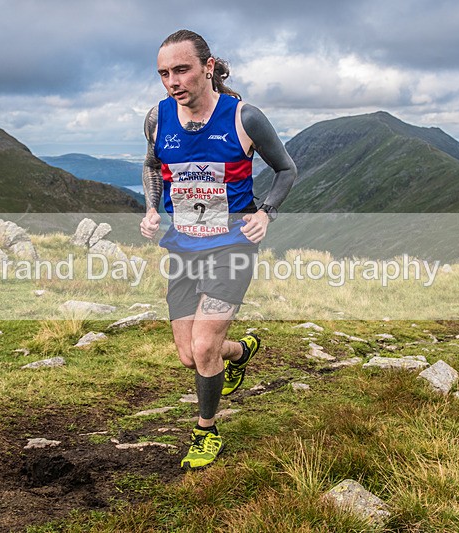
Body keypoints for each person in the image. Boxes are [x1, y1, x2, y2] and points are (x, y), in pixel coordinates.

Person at [140, 29, 297, 469]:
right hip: (183, 248)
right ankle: (241, 352)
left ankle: (206, 432)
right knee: (190, 353)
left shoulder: (245, 118)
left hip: (232, 245)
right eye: (164, 73)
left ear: (208, 68)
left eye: (182, 69)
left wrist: (265, 212)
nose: (173, 81)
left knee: (205, 346)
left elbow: (286, 170)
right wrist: (152, 209)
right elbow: (152, 166)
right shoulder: (157, 119)